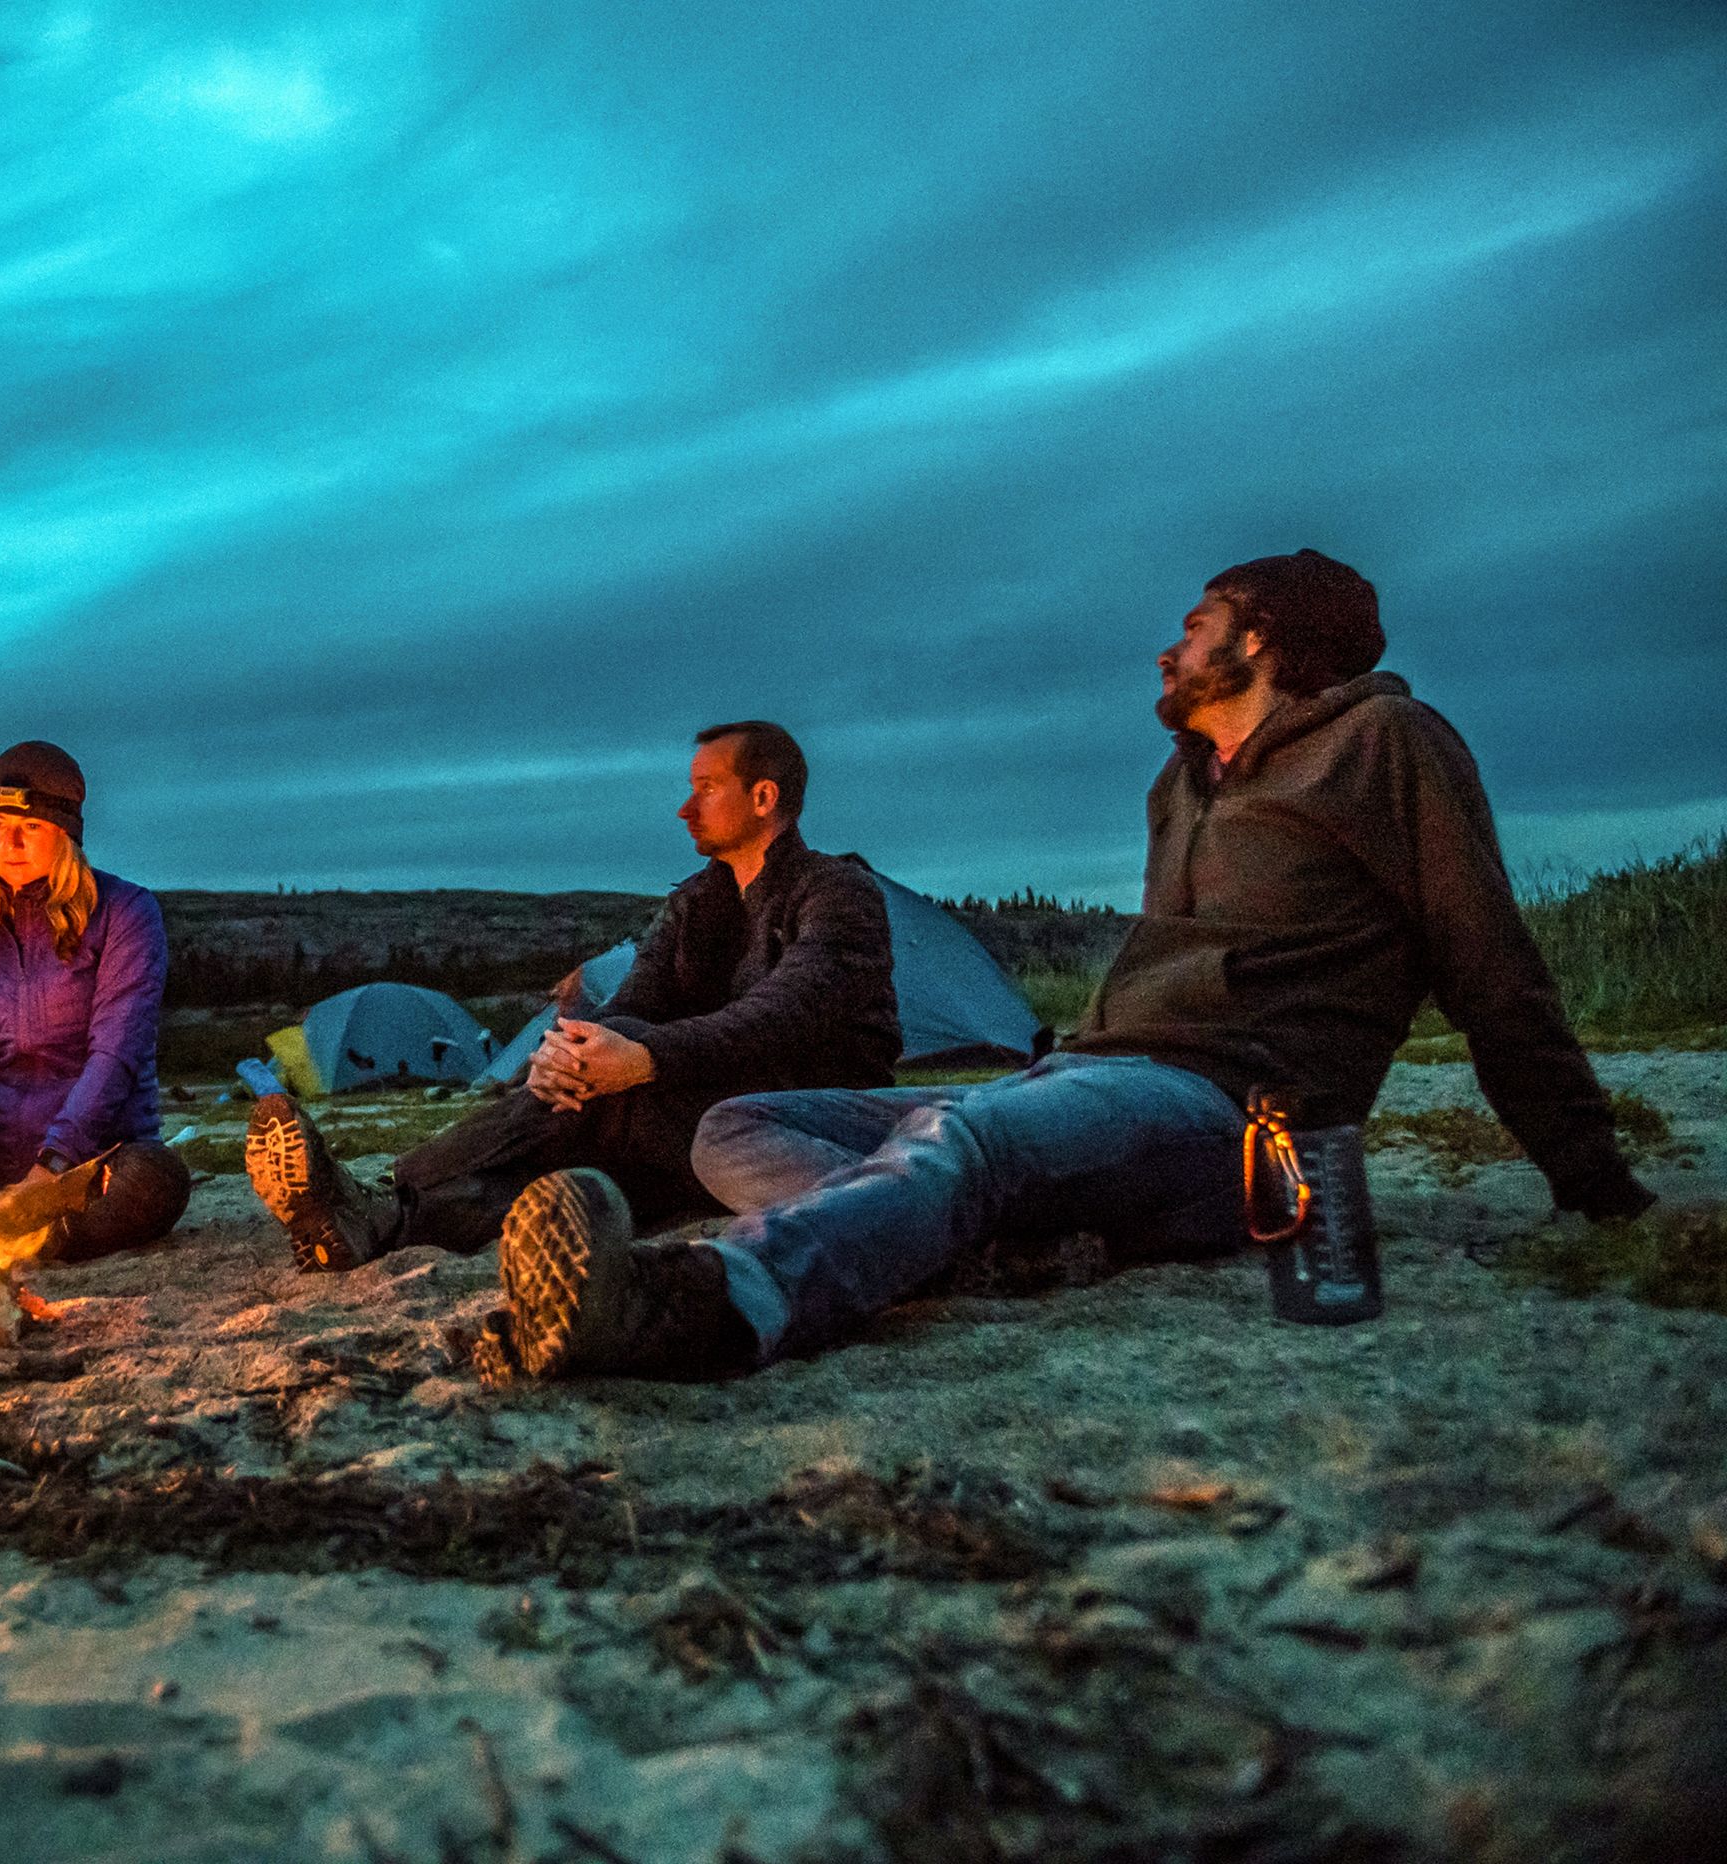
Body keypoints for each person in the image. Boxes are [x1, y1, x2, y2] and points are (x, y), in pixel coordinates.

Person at [491, 549, 1660, 1381]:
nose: (1170, 642)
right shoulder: (1181, 784)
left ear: (1255, 639)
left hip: (1242, 1112)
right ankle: (979, 1244)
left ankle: (707, 1306)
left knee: (966, 1140)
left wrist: (1588, 1173)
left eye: (1195, 623)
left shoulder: (1384, 743)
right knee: (734, 1127)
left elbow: (1486, 957)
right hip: (1094, 1079)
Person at [246, 722, 901, 1271]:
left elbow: (783, 1015)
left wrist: (642, 1060)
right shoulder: (696, 905)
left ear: (764, 796)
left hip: (801, 1117)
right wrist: (576, 1051)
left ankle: (388, 1195)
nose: (685, 807)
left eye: (705, 788)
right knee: (581, 1181)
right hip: (692, 1114)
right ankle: (382, 1226)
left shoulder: (836, 892)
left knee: (614, 1106)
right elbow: (636, 1001)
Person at [0, 741, 191, 1259]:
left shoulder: (126, 913)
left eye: (30, 826)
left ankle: (43, 1241)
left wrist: (53, 1167)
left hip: (97, 1162)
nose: (10, 842)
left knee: (155, 1183)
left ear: (66, 833)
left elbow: (117, 1054)